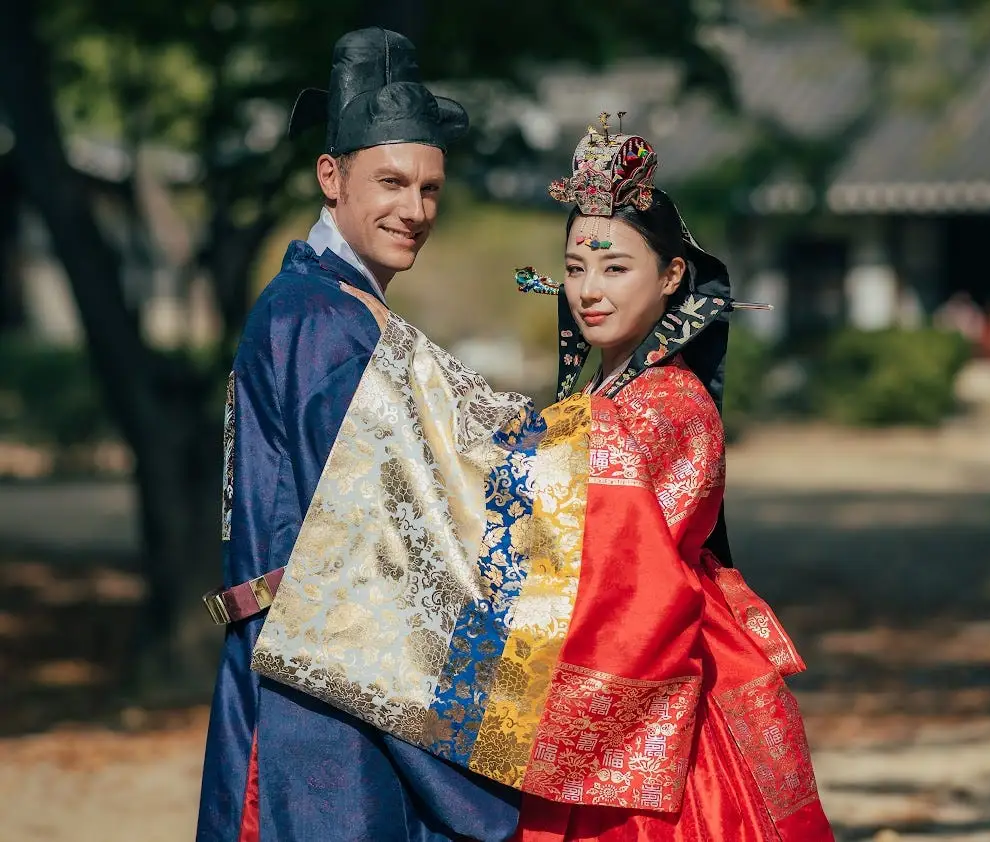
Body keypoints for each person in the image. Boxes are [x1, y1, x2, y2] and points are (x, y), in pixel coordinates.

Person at [251, 118, 834, 841]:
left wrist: (410, 383)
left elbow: (558, 497)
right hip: (598, 674)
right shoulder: (598, 402)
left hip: (664, 701)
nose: (589, 290)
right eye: (575, 266)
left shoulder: (670, 403)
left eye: (615, 268)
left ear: (671, 275)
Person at [196, 28, 520, 842]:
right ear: (330, 177)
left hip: (343, 669)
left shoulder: (334, 305)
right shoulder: (318, 319)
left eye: (430, 188)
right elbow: (387, 515)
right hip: (321, 697)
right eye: (390, 182)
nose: (413, 210)